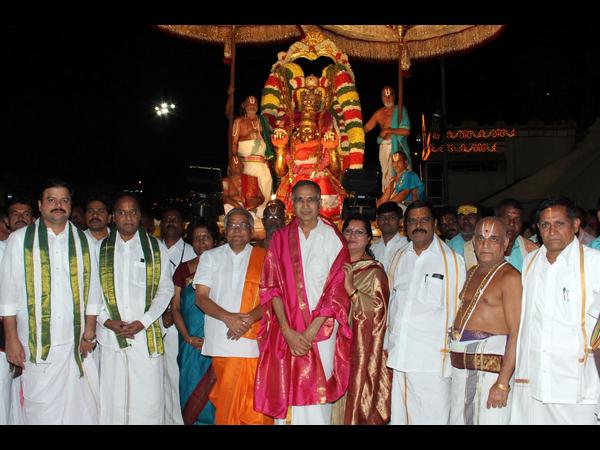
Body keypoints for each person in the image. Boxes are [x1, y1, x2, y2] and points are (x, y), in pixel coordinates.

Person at [0, 178, 102, 424]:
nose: (58, 205)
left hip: (75, 343)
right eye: (52, 200)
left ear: (70, 205)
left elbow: (93, 290)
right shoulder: (20, 240)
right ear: (40, 204)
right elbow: (8, 295)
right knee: (40, 412)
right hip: (35, 343)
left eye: (64, 200)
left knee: (81, 411)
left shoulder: (84, 241)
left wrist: (89, 331)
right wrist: (11, 339)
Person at [255, 180, 351, 424]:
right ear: (291, 204)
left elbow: (336, 292)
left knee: (317, 397)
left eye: (311, 200)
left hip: (321, 331)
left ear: (320, 203)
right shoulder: (280, 239)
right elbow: (271, 288)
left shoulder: (332, 239)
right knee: (287, 394)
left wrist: (309, 333)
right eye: (299, 199)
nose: (305, 205)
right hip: (286, 330)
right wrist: (287, 330)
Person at [511, 196, 600, 425]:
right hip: (535, 381)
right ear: (538, 228)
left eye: (559, 223)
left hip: (577, 385)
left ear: (576, 225)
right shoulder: (530, 262)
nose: (552, 231)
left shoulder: (594, 263)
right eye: (545, 225)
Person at [96, 193, 174, 424]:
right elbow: (90, 291)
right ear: (113, 217)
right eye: (122, 212)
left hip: (145, 336)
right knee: (113, 399)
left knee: (148, 401)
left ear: (139, 216)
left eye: (132, 212)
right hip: (112, 336)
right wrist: (106, 320)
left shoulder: (156, 248)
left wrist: (144, 321)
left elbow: (166, 290)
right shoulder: (100, 249)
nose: (127, 217)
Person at [386, 200, 465, 424]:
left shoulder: (451, 261)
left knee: (433, 418)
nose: (418, 225)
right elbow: (392, 304)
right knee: (401, 418)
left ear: (435, 223)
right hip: (401, 355)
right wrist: (387, 345)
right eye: (413, 220)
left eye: (424, 220)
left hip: (432, 361)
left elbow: (458, 311)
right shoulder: (399, 257)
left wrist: (451, 357)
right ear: (405, 225)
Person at [193, 208, 273, 425]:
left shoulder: (264, 257)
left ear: (251, 231)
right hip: (222, 341)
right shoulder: (210, 257)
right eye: (232, 225)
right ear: (224, 230)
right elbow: (201, 298)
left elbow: (273, 297)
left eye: (242, 225)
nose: (237, 230)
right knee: (228, 404)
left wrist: (249, 318)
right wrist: (229, 318)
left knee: (255, 408)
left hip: (253, 342)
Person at [449, 217, 522, 425]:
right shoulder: (472, 272)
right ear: (473, 242)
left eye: (493, 239)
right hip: (462, 371)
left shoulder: (510, 277)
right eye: (481, 238)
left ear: (505, 243)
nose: (486, 244)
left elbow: (517, 332)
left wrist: (502, 383)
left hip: (490, 375)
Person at [331, 215, 392, 425]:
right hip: (331, 343)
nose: (352, 236)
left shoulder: (374, 272)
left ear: (368, 239)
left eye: (359, 232)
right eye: (348, 231)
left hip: (358, 349)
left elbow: (378, 312)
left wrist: (352, 290)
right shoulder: (334, 265)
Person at [270, 75, 346, 220]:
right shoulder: (292, 142)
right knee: (295, 183)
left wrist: (331, 149)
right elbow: (280, 172)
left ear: (317, 131)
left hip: (318, 174)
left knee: (323, 179)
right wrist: (280, 149)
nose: (306, 133)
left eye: (310, 129)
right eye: (303, 129)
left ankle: (325, 216)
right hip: (296, 175)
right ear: (297, 131)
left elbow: (336, 170)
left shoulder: (323, 136)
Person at [172, 218, 220, 425]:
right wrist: (187, 337)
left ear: (215, 240)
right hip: (190, 345)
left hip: (217, 344)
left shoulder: (224, 267)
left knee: (217, 398)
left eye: (206, 237)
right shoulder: (183, 270)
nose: (201, 242)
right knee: (190, 395)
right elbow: (175, 308)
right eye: (196, 238)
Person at [159, 206, 196, 425]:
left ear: (183, 225)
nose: (171, 223)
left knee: (177, 379)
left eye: (175, 219)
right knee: (158, 381)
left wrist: (174, 311)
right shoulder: (153, 249)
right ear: (161, 225)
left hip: (183, 326)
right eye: (167, 219)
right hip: (156, 323)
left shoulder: (192, 252)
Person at [1, 198, 35, 424]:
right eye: (15, 213)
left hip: (34, 335)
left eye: (26, 214)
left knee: (28, 398)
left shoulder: (41, 252)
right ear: (6, 220)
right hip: (4, 338)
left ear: (34, 219)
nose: (21, 218)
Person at [363, 86, 411, 191]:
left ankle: (399, 198)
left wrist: (389, 131)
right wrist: (352, 133)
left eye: (390, 95)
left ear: (394, 96)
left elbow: (406, 131)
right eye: (385, 96)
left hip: (398, 148)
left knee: (400, 175)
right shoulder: (379, 113)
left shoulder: (401, 110)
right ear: (382, 97)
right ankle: (387, 197)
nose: (387, 98)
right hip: (384, 147)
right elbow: (366, 128)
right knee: (386, 175)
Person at [231, 95, 273, 213]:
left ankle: (263, 215)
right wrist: (234, 160)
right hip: (246, 164)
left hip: (261, 164)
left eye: (254, 105)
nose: (252, 107)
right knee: (249, 192)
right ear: (244, 106)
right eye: (249, 104)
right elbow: (234, 142)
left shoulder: (262, 121)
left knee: (265, 187)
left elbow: (269, 138)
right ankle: (249, 215)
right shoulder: (239, 121)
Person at [495, 198, 539, 272]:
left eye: (517, 219)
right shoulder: (480, 249)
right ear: (496, 220)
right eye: (506, 218)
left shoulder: (532, 251)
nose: (512, 223)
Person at [371, 201, 408, 272]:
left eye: (392, 218)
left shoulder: (408, 246)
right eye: (382, 217)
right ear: (377, 221)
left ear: (400, 221)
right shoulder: (372, 248)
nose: (386, 221)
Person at [448, 204, 481, 270]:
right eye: (462, 217)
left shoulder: (487, 242)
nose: (466, 220)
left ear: (479, 219)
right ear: (457, 221)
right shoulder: (450, 246)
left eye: (470, 216)